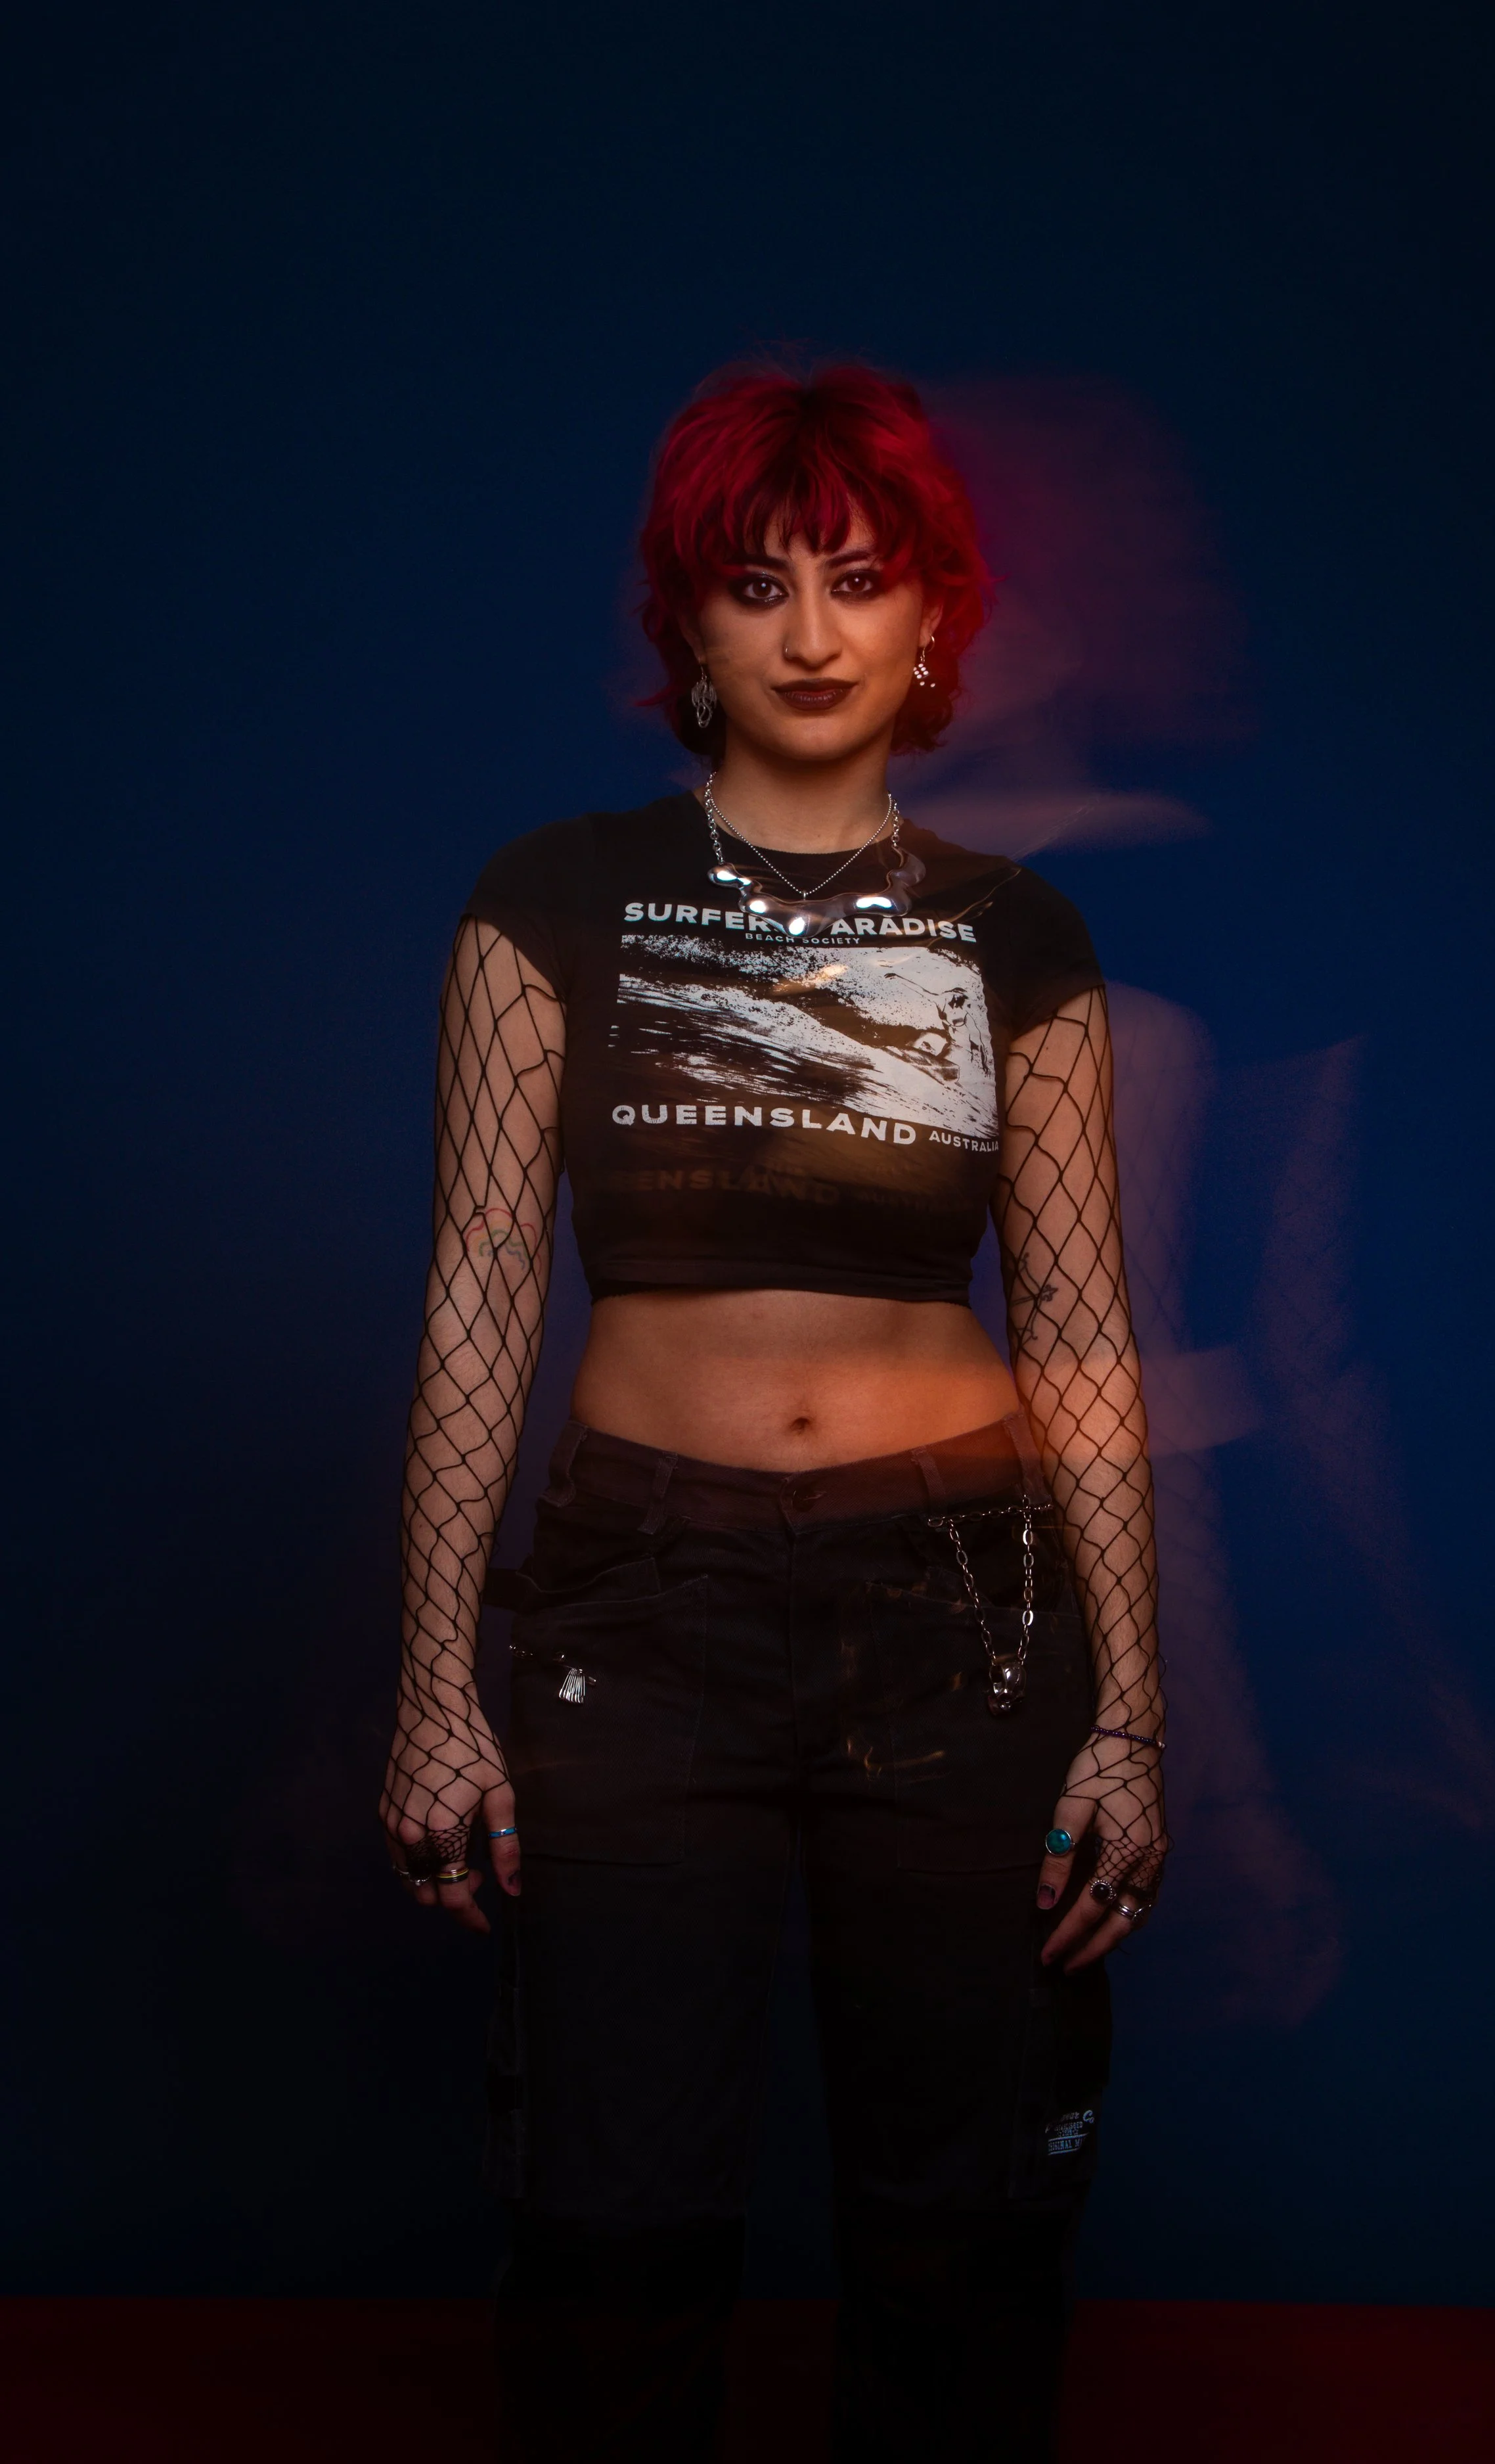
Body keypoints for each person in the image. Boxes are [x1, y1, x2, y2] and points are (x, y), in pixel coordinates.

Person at [379, 363, 1168, 2463]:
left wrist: (1132, 1709)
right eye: (758, 583)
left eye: (859, 578)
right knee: (609, 2226)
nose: (811, 632)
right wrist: (434, 1681)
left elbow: (1082, 1333)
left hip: (967, 1609)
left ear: (934, 624)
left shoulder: (1020, 931)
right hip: (639, 1612)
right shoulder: (547, 898)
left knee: (964, 2228)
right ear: (686, 629)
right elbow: (477, 1280)